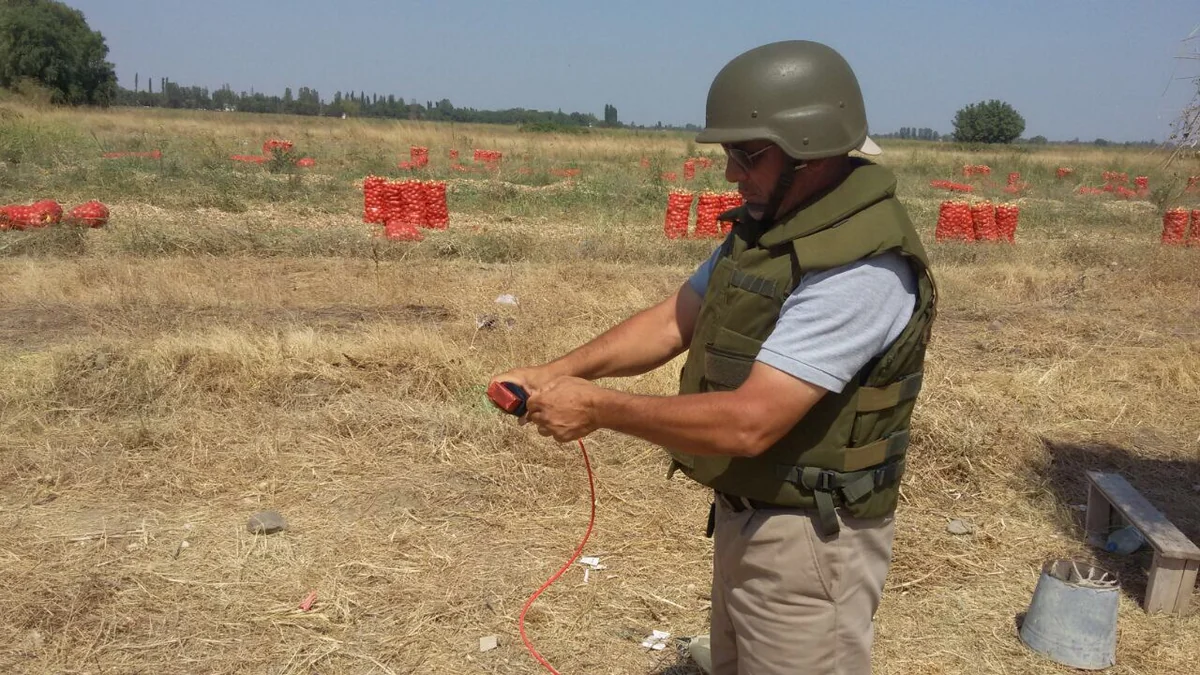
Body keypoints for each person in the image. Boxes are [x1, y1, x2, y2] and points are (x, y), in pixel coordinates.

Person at [490, 39, 937, 675]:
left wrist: (599, 408)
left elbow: (751, 421)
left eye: (746, 154)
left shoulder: (860, 269)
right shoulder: (775, 227)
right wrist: (560, 372)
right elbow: (675, 319)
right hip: (751, 517)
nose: (730, 172)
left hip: (810, 541)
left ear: (809, 148)